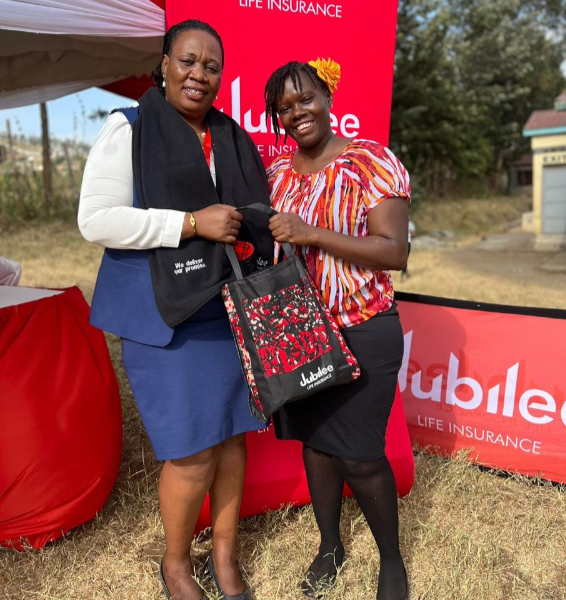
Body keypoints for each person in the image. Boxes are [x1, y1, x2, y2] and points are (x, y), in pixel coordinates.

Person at [79, 20, 272, 600]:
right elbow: (97, 220)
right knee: (191, 451)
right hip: (163, 316)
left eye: (212, 66)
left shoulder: (230, 136)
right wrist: (189, 223)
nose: (199, 75)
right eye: (188, 61)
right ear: (163, 64)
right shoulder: (129, 128)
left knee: (234, 436)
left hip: (227, 310)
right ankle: (176, 564)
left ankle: (225, 554)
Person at [264, 59, 411, 600]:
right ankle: (330, 546)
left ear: (327, 98)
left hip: (364, 328)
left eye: (305, 99)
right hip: (301, 334)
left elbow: (394, 251)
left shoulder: (370, 161)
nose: (297, 112)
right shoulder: (278, 175)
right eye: (284, 107)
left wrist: (313, 233)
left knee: (360, 454)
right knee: (319, 445)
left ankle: (391, 560)